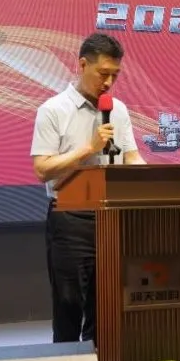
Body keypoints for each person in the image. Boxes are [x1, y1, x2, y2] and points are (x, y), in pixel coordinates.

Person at [30, 32, 145, 344]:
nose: (108, 83)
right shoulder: (53, 110)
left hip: (112, 216)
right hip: (70, 218)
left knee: (106, 305)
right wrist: (88, 149)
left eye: (115, 75)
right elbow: (42, 169)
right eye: (103, 74)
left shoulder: (118, 110)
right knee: (68, 303)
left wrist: (151, 178)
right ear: (82, 65)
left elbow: (131, 156)